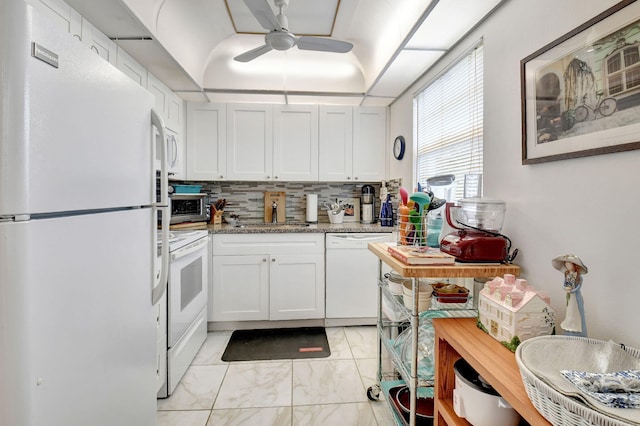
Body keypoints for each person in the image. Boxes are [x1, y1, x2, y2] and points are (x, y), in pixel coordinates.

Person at [552, 254, 588, 337]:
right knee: (569, 312)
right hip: (569, 297)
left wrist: (571, 290)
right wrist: (565, 288)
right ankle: (569, 330)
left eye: (569, 264)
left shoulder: (578, 277)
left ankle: (578, 332)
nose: (567, 265)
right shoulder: (567, 275)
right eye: (566, 264)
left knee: (576, 312)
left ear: (574, 265)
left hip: (575, 297)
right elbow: (564, 284)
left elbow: (578, 287)